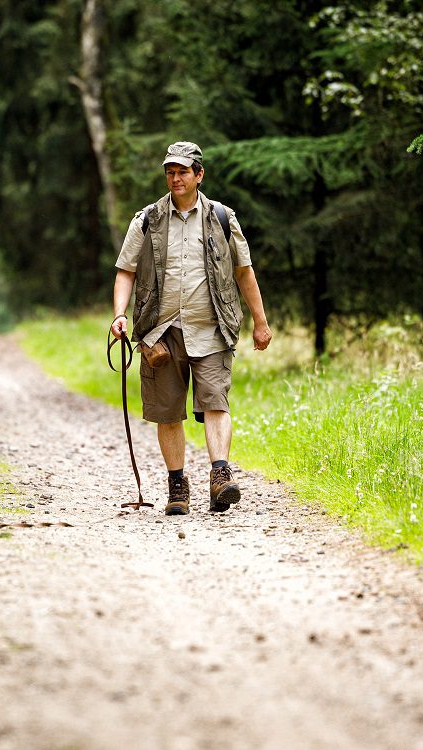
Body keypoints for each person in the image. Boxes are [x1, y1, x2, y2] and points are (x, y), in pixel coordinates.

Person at [110, 141, 272, 515]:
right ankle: (177, 485)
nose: (176, 178)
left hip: (212, 327)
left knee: (215, 400)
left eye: (183, 171)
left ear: (199, 174)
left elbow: (243, 271)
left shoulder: (222, 217)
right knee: (167, 411)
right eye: (170, 171)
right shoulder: (147, 220)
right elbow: (126, 271)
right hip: (160, 332)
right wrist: (119, 314)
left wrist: (260, 322)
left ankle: (220, 476)